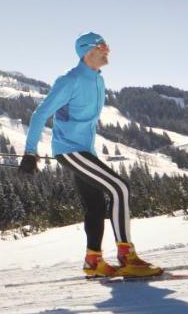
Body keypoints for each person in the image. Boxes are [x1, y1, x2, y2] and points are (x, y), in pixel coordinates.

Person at [18, 32, 162, 279]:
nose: (108, 51)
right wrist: (30, 152)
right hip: (70, 150)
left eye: (108, 46)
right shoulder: (69, 81)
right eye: (102, 46)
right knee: (120, 188)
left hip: (85, 151)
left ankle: (93, 261)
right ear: (87, 52)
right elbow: (39, 115)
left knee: (95, 205)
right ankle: (127, 256)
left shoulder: (97, 79)